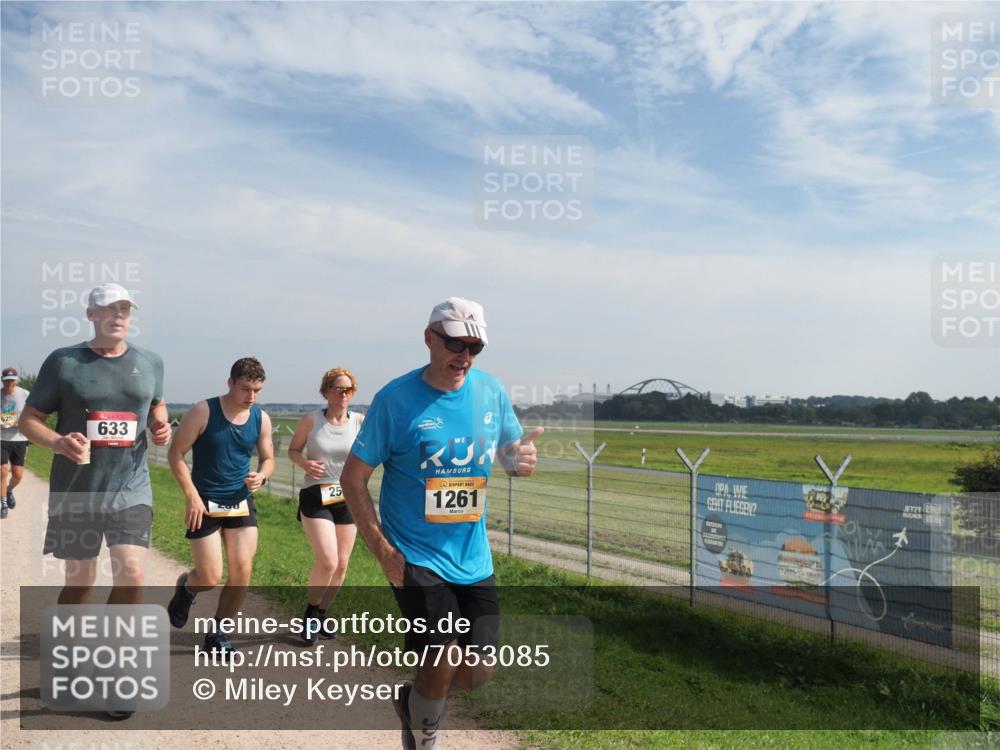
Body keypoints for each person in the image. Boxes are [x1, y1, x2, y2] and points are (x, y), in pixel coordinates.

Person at [341, 297, 542, 750]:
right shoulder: (396, 400)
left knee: (477, 673)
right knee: (443, 656)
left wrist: (519, 461)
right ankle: (425, 734)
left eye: (475, 348)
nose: (465, 356)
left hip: (472, 556)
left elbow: (509, 454)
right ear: (430, 338)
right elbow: (353, 479)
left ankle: (412, 701)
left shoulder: (490, 391)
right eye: (456, 344)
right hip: (415, 554)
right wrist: (384, 553)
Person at [18, 283, 170, 605]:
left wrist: (159, 424)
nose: (118, 315)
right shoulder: (64, 361)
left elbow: (157, 403)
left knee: (132, 574)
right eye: (109, 308)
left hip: (131, 487)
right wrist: (58, 442)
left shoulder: (150, 362)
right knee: (80, 584)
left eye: (124, 309)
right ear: (90, 314)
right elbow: (28, 419)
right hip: (77, 489)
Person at [166, 357, 274, 656]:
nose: (251, 396)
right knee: (210, 576)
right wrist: (191, 495)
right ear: (230, 383)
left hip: (240, 501)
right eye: (245, 389)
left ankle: (218, 633)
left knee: (242, 571)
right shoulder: (203, 411)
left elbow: (268, 458)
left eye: (257, 390)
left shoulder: (261, 418)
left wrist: (262, 476)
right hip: (204, 502)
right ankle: (188, 588)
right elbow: (176, 454)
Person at [287, 367, 363, 645]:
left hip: (348, 498)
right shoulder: (312, 420)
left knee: (341, 565)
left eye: (348, 390)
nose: (344, 395)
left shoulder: (360, 421)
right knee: (328, 560)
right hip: (316, 495)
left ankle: (321, 614)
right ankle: (309, 615)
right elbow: (292, 450)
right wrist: (305, 463)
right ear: (326, 392)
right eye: (338, 389)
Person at [2, 367, 30, 519]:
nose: (9, 384)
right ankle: (3, 504)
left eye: (12, 381)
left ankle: (9, 490)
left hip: (20, 438)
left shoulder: (25, 394)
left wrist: (25, 423)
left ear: (16, 381)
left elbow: (33, 414)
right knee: (3, 470)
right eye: (7, 381)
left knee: (18, 475)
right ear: (2, 381)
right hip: (2, 438)